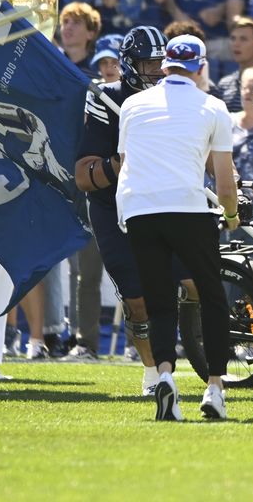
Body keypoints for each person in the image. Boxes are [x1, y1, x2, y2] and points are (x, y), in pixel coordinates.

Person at [115, 35, 241, 422]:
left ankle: (165, 374)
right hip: (187, 208)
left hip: (138, 209)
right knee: (212, 297)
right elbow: (224, 179)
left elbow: (124, 162)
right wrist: (232, 214)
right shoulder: (214, 107)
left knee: (159, 301)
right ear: (200, 68)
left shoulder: (132, 105)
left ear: (165, 64)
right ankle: (215, 387)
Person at [75, 25, 179, 395]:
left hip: (164, 202)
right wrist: (120, 164)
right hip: (115, 205)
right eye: (149, 63)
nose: (157, 70)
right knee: (136, 298)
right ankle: (152, 372)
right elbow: (85, 177)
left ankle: (204, 355)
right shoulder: (106, 99)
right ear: (131, 64)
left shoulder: (175, 97)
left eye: (160, 62)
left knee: (194, 281)